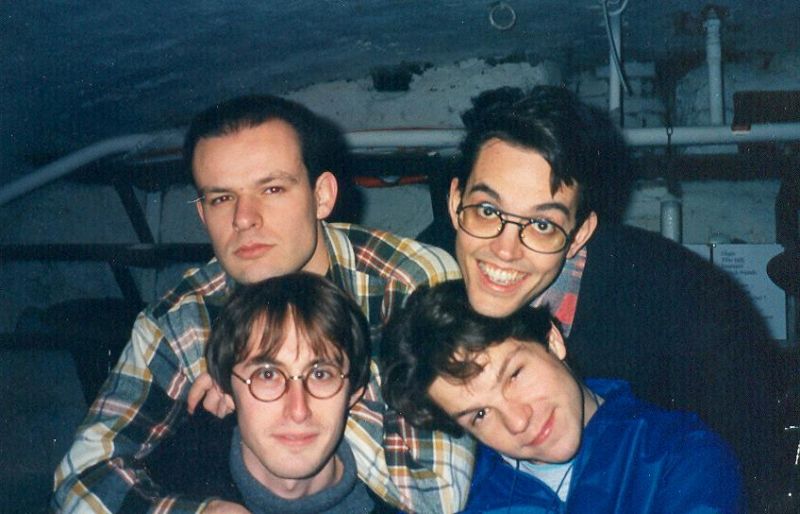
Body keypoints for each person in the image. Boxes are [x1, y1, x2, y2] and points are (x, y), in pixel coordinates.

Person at [52, 95, 469, 513]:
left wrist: (275, 393)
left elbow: (438, 493)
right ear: (203, 216)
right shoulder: (183, 317)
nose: (244, 218)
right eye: (221, 198)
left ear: (322, 196)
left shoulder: (407, 282)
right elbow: (80, 478)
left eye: (271, 189)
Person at [418, 85, 788, 509]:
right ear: (455, 201)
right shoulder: (412, 289)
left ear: (580, 234)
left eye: (542, 225)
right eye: (487, 210)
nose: (504, 250)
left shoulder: (686, 302)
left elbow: (755, 460)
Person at [381, 280, 745, 512]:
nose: (518, 421)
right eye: (479, 415)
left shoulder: (680, 455)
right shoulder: (467, 500)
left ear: (552, 340)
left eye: (515, 375)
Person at [204, 272, 376, 513]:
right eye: (267, 375)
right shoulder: (168, 486)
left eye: (320, 375)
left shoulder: (393, 504)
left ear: (354, 394)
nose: (298, 411)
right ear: (225, 391)